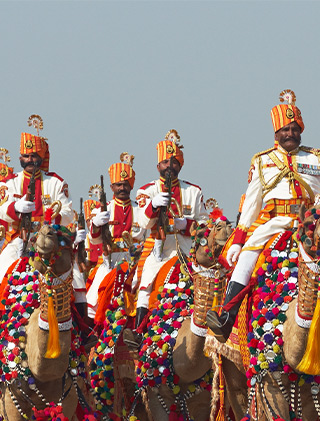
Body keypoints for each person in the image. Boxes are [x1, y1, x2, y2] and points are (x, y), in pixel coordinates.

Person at [206, 90, 320, 348]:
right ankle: (225, 318)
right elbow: (252, 205)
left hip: (309, 226)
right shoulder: (262, 161)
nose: (290, 134)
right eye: (285, 129)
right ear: (276, 133)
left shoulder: (318, 157)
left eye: (295, 129)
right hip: (273, 223)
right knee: (247, 257)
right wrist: (237, 241)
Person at [126, 130, 206, 344]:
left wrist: (186, 224)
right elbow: (143, 223)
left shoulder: (194, 191)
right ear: (157, 165)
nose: (169, 166)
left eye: (174, 162)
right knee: (146, 284)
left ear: (180, 165)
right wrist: (153, 205)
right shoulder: (146, 190)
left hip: (187, 251)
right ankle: (139, 333)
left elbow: (206, 226)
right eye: (164, 162)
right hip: (158, 249)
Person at [0, 115, 74, 279]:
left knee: (74, 279)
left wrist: (51, 220)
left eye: (34, 156)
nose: (30, 160)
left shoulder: (55, 182)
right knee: (2, 271)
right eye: (26, 156)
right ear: (20, 158)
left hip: (50, 241)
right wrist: (15, 208)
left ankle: (82, 304)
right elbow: (1, 209)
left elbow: (69, 214)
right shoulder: (9, 183)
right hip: (18, 239)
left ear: (41, 158)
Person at [85, 153, 140, 320]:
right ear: (111, 187)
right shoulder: (103, 209)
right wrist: (96, 224)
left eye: (125, 184)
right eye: (118, 185)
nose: (122, 188)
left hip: (135, 263)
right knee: (94, 299)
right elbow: (94, 239)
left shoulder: (140, 209)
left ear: (131, 186)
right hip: (110, 260)